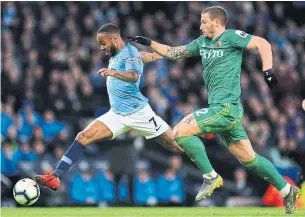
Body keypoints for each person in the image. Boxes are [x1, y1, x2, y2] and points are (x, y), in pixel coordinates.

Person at [127, 6, 301, 214]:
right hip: (224, 111)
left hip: (225, 108)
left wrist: (268, 71)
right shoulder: (202, 43)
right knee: (250, 159)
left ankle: (210, 176)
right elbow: (173, 53)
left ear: (216, 22)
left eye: (203, 21)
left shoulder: (231, 37)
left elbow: (262, 43)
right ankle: (286, 189)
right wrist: (149, 42)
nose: (200, 26)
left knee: (179, 133)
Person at [34, 23, 187, 194]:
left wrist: (113, 73)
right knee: (83, 136)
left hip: (138, 112)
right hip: (116, 114)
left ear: (115, 39)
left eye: (103, 43)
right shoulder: (121, 54)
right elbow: (144, 57)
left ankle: (198, 130)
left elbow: (133, 75)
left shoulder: (128, 53)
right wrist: (159, 55)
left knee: (176, 147)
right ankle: (55, 176)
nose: (101, 47)